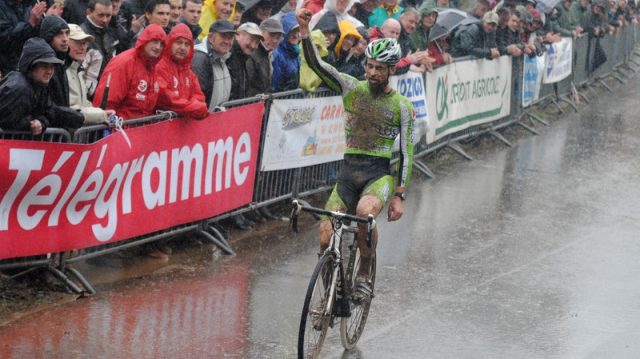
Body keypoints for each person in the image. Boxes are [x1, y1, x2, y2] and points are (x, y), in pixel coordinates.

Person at [297, 8, 415, 302]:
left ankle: (365, 269)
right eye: (369, 66)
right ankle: (330, 296)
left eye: (379, 68)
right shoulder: (351, 88)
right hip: (348, 173)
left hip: (378, 175)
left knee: (364, 215)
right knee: (325, 237)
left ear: (391, 70)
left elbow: (408, 153)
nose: (372, 72)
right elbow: (316, 64)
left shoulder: (402, 107)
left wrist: (399, 195)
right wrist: (303, 28)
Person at [0, 38, 84, 133]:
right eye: (44, 66)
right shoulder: (19, 88)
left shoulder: (38, 85)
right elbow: (8, 122)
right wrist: (30, 124)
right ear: (31, 66)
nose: (49, 71)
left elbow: (48, 111)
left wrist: (41, 122)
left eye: (52, 67)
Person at [92, 24, 167, 120]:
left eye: (162, 44)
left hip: (140, 129)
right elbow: (106, 103)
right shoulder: (124, 63)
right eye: (155, 41)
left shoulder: (153, 67)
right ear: (145, 40)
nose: (158, 47)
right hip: (119, 128)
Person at [156, 23, 208, 118]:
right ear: (170, 43)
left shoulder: (188, 71)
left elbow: (199, 97)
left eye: (187, 44)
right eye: (179, 42)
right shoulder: (160, 66)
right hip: (162, 126)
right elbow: (165, 98)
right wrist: (193, 107)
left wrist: (195, 106)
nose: (183, 48)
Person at [66, 24, 113, 125]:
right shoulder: (61, 71)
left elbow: (84, 104)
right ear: (65, 42)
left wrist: (101, 114)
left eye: (85, 43)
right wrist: (101, 115)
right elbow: (71, 110)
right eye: (78, 42)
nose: (83, 47)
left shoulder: (77, 70)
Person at [192, 19, 234, 109]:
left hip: (219, 119)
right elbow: (198, 97)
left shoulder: (224, 57)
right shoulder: (200, 59)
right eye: (223, 36)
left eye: (230, 38)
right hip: (206, 119)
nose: (227, 41)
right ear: (211, 37)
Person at [81, 0, 118, 89]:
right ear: (89, 12)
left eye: (108, 15)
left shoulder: (109, 32)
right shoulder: (81, 35)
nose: (105, 20)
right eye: (101, 15)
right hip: (86, 93)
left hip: (105, 89)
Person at [39, 16, 72, 108]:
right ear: (48, 37)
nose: (65, 39)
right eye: (59, 34)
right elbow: (48, 108)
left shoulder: (62, 62)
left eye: (67, 33)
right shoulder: (40, 66)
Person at [246, 18, 284, 97]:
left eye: (278, 37)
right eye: (272, 35)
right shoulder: (253, 53)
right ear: (261, 32)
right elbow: (249, 85)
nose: (275, 40)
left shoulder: (268, 53)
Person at [227, 22, 263, 100]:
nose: (253, 46)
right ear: (238, 35)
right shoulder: (228, 55)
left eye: (257, 42)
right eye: (251, 39)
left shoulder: (244, 57)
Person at [272, 12, 302, 92]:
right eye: (292, 32)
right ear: (285, 33)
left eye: (298, 31)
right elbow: (276, 85)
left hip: (291, 101)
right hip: (280, 102)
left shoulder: (296, 53)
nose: (296, 35)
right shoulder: (277, 54)